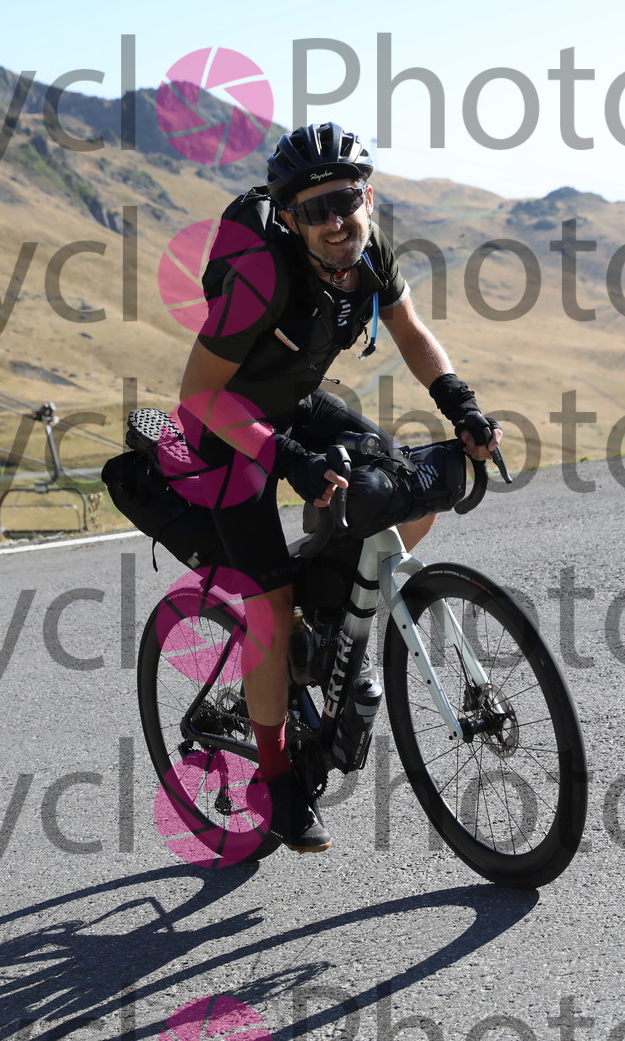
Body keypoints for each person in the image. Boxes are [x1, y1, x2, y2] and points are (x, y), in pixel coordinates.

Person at [176, 122, 503, 852]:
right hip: (227, 431)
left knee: (407, 487)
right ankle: (276, 780)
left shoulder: (370, 249)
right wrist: (287, 457)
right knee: (270, 605)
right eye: (314, 209)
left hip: (292, 405)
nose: (334, 221)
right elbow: (198, 393)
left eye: (346, 201)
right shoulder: (263, 276)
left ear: (368, 198)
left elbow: (410, 331)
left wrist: (461, 403)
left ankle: (327, 621)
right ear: (289, 217)